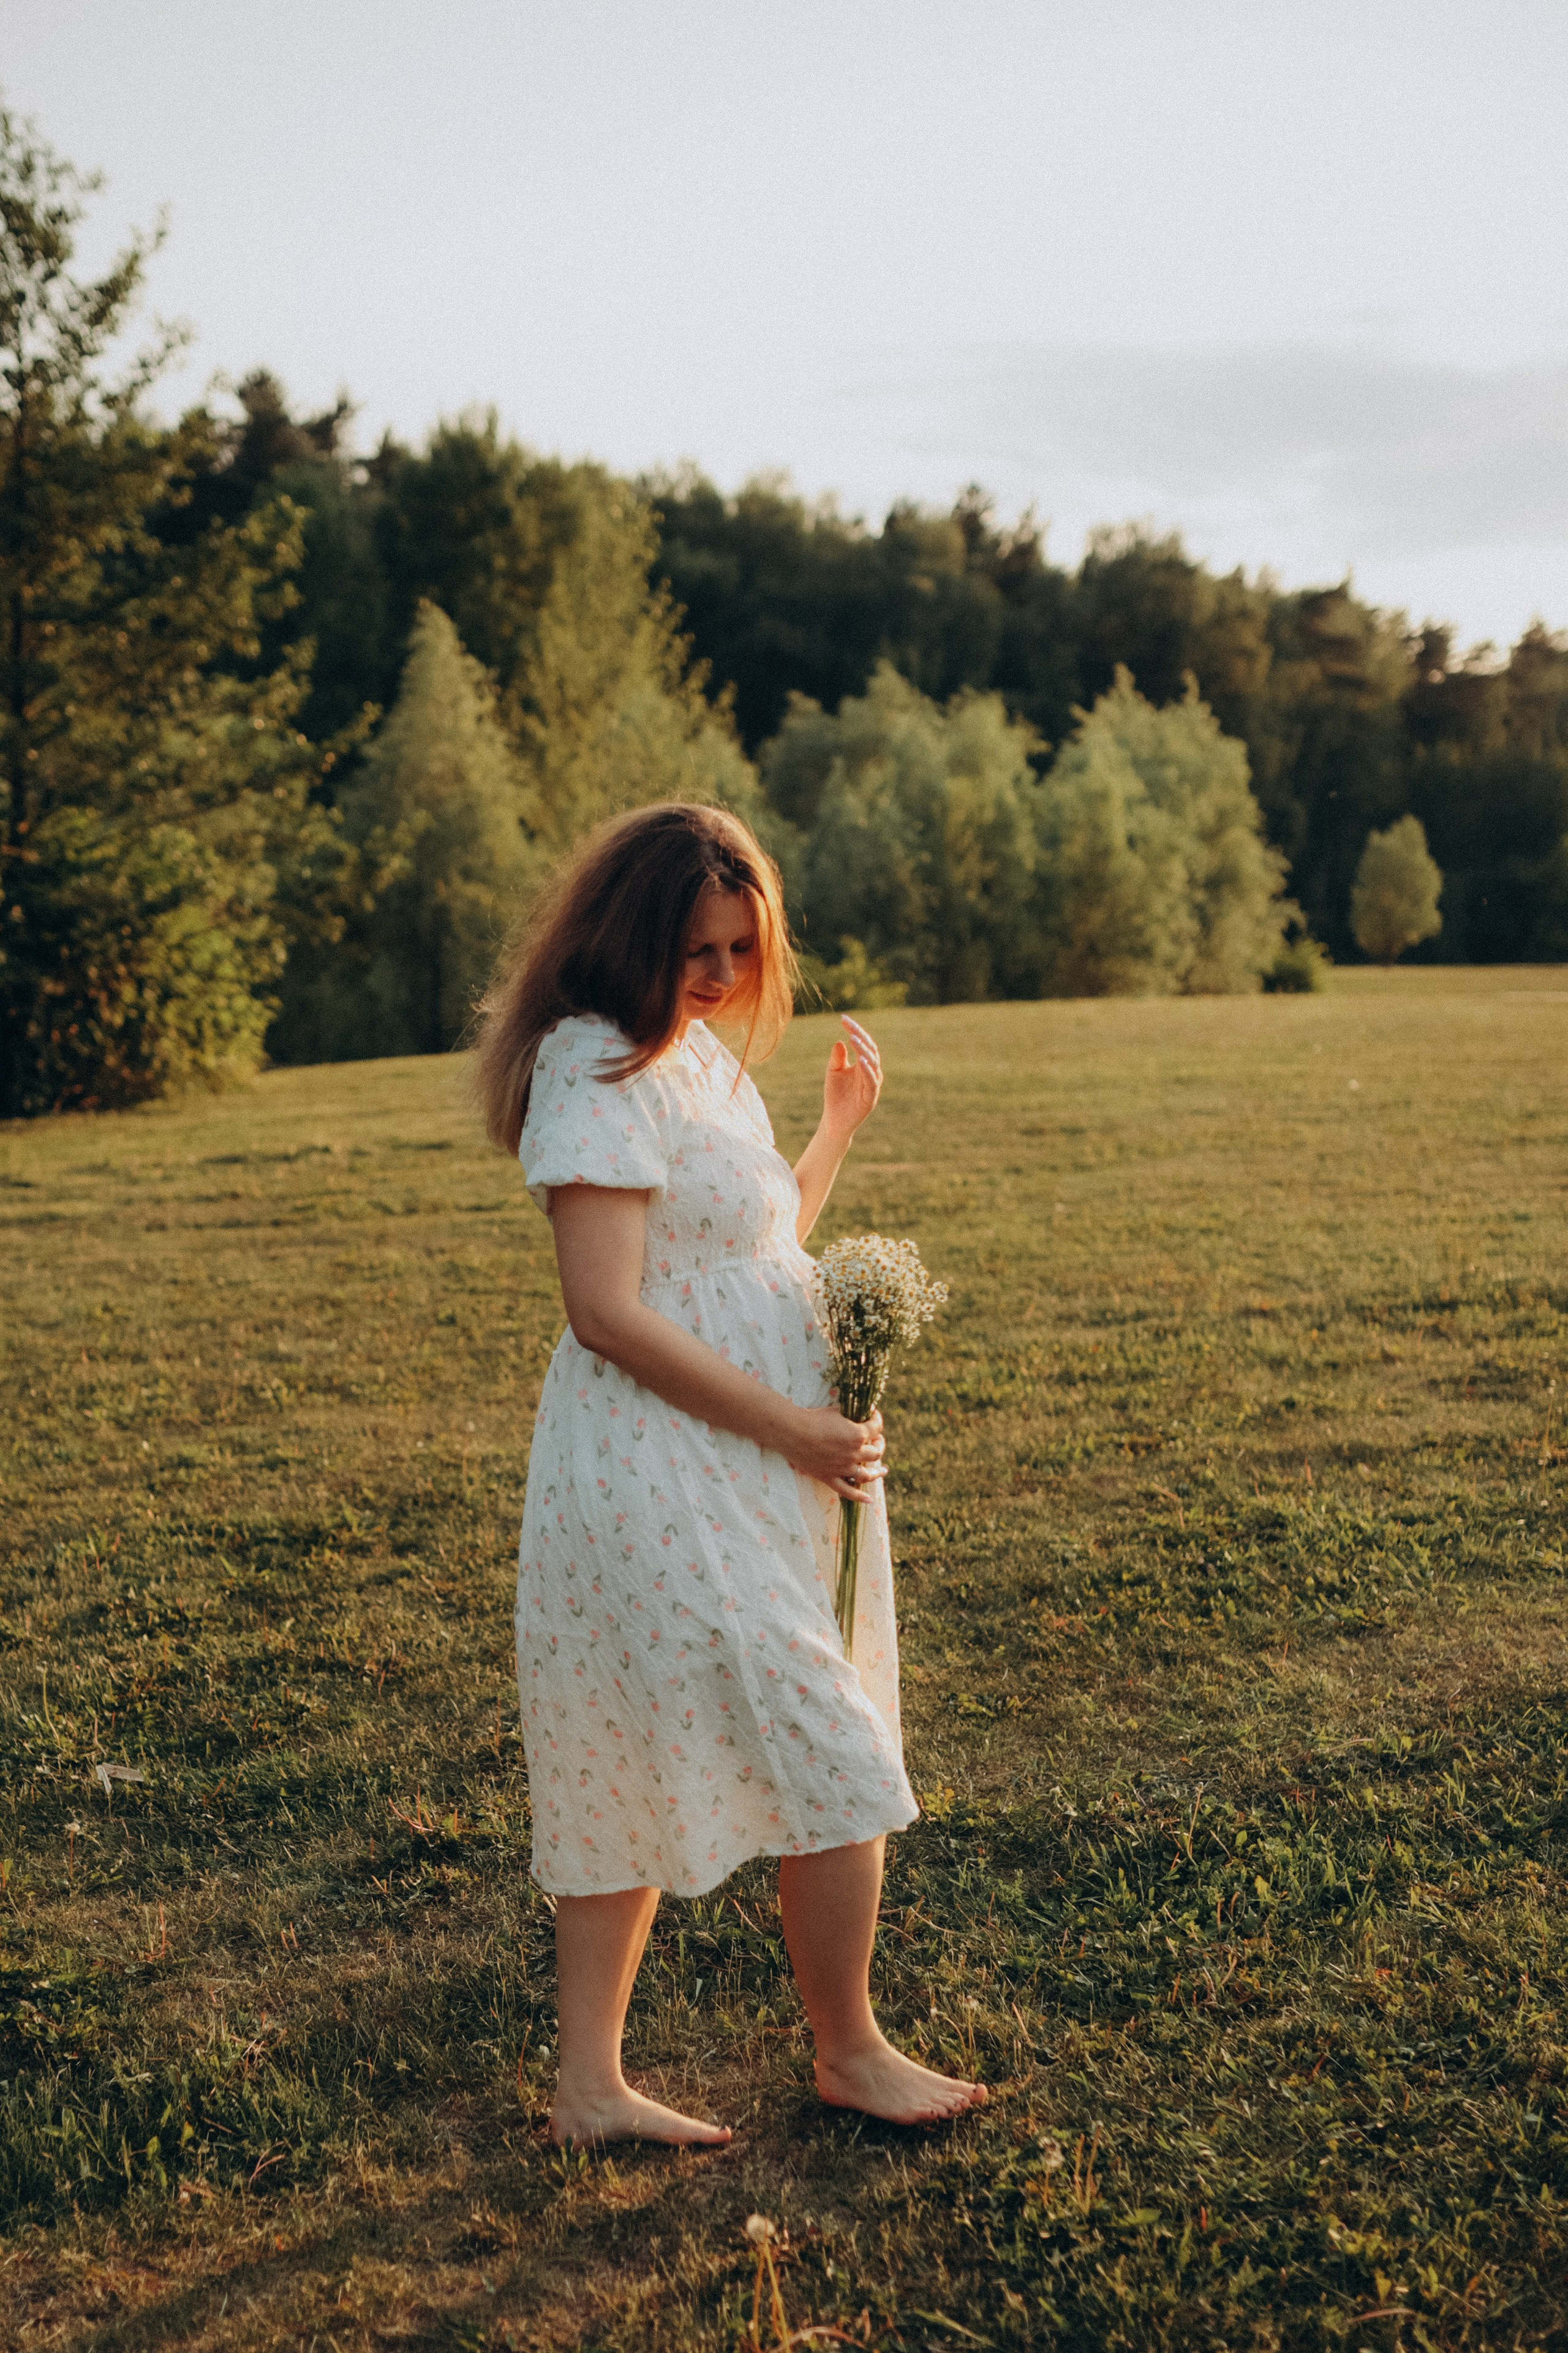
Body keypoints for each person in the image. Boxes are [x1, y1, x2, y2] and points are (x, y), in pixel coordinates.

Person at [476, 802, 986, 2146]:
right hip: (659, 1464)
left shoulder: (697, 1060)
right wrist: (788, 1426)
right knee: (813, 1738)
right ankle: (846, 2049)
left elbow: (748, 1248)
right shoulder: (592, 1065)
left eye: (739, 949)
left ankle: (595, 2085)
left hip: (748, 1454)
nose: (716, 977)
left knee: (685, 1738)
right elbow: (608, 1310)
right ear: (633, 935)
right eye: (697, 949)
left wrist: (830, 1133)